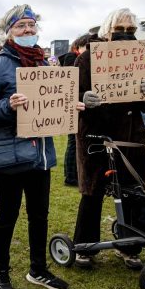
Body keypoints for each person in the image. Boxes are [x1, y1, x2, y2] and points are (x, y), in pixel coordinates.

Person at [0, 4, 79, 289]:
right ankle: (1, 272)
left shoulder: (44, 65)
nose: (28, 31)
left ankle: (38, 269)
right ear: (8, 31)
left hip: (41, 155)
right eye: (21, 26)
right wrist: (7, 106)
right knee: (8, 215)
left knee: (40, 215)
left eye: (32, 26)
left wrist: (71, 106)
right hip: (9, 155)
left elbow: (52, 103)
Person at [73, 8, 145, 270]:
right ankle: (84, 247)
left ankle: (129, 245)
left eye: (130, 30)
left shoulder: (139, 57)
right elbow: (72, 97)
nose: (125, 35)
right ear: (107, 31)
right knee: (93, 193)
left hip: (131, 135)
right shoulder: (86, 59)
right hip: (97, 135)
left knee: (132, 191)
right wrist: (84, 99)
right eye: (119, 30)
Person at [60, 33, 90, 187]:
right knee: (73, 143)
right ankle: (71, 176)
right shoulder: (72, 59)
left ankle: (74, 175)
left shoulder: (76, 58)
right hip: (73, 106)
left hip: (78, 104)